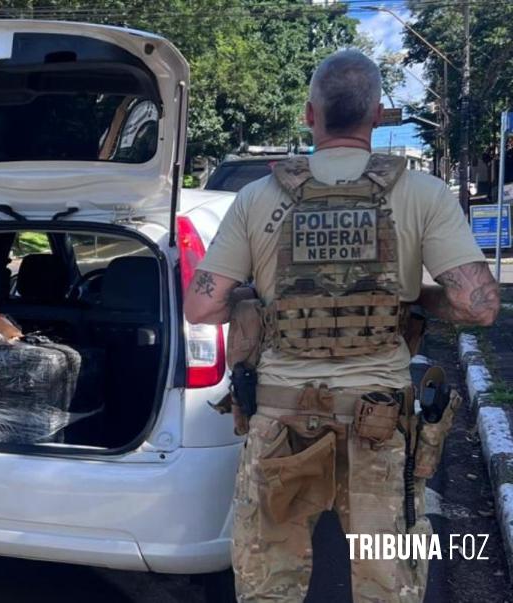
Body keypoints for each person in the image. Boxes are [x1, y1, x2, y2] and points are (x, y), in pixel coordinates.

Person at [185, 49, 499, 602]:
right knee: (387, 586)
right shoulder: (421, 193)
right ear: (377, 114)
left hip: (280, 423)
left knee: (270, 588)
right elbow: (478, 306)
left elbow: (200, 308)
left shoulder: (257, 198)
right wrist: (411, 300)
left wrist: (260, 298)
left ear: (310, 114)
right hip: (380, 423)